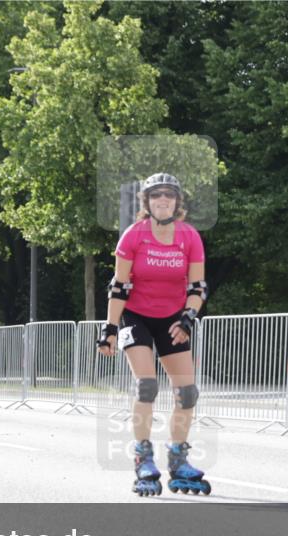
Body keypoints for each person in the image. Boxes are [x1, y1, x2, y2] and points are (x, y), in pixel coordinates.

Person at [97, 173, 210, 497]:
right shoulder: (134, 236)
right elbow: (119, 286)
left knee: (187, 392)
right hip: (136, 316)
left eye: (169, 195)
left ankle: (178, 458)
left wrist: (188, 317)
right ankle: (143, 456)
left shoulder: (189, 237)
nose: (163, 200)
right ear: (146, 202)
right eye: (156, 195)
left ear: (178, 202)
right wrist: (110, 328)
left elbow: (198, 286)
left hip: (173, 318)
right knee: (147, 386)